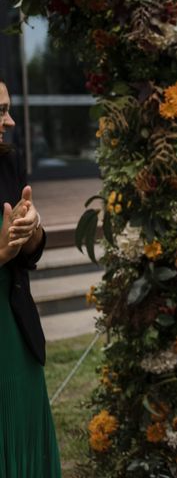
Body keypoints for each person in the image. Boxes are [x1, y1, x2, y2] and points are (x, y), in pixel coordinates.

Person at [0, 77, 61, 477]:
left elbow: (29, 249)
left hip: (13, 320)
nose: (9, 122)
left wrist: (32, 227)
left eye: (6, 109)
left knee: (22, 423)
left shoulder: (6, 159)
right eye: (0, 112)